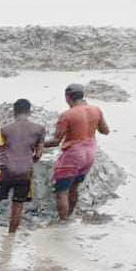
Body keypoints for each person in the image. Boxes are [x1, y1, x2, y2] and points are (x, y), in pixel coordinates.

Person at [43, 82, 110, 221]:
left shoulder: (67, 115)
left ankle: (63, 222)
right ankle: (70, 216)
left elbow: (56, 141)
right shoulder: (96, 110)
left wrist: (37, 144)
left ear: (67, 97)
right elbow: (105, 131)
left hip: (73, 155)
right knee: (74, 188)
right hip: (90, 153)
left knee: (62, 191)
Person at [0, 98, 47, 234]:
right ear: (29, 112)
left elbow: (2, 150)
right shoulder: (40, 130)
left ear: (14, 112)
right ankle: (10, 240)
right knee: (17, 206)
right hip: (25, 174)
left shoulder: (5, 130)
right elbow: (38, 155)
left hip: (5, 173)